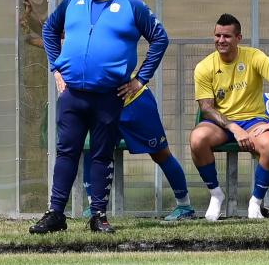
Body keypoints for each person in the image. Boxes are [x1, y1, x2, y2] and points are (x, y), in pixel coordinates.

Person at [31, 0, 168, 234]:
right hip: (73, 95)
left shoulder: (131, 4)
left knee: (101, 154)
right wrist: (56, 68)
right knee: (66, 152)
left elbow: (160, 38)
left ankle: (98, 216)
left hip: (108, 96)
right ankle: (56, 214)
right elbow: (49, 29)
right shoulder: (73, 1)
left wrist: (140, 80)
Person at [190, 13, 269, 220]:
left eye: (227, 36)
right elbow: (206, 108)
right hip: (221, 124)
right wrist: (233, 127)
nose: (221, 40)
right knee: (197, 139)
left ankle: (255, 202)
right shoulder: (204, 67)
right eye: (217, 35)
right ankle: (216, 195)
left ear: (238, 38)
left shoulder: (254, 56)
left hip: (253, 121)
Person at [81, 84, 195, 222]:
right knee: (91, 149)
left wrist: (140, 80)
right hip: (103, 106)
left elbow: (149, 68)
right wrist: (59, 74)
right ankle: (94, 207)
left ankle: (184, 206)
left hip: (135, 102)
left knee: (160, 154)